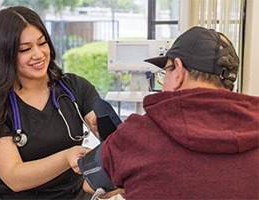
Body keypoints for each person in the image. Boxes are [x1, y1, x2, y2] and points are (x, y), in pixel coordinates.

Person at [82, 26, 259, 199]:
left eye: (165, 72)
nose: (164, 82)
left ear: (178, 71)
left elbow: (90, 184)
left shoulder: (135, 135)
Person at [0, 6, 100, 199]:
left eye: (42, 43)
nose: (39, 54)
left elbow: (108, 133)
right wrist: (67, 157)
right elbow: (14, 177)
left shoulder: (75, 88)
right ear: (5, 53)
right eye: (25, 49)